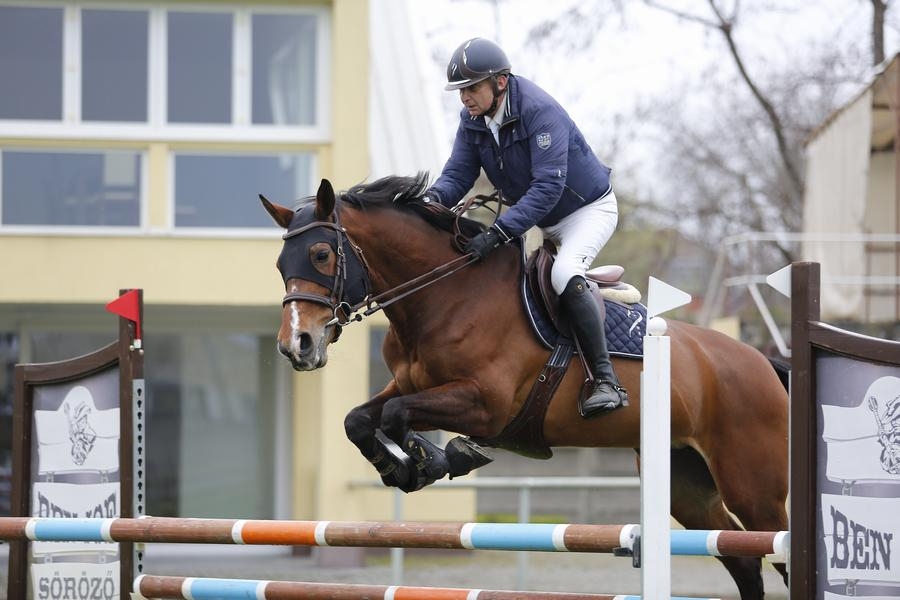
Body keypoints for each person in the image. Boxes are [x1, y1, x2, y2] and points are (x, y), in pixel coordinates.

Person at [424, 37, 627, 419]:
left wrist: (500, 231)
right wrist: (429, 205)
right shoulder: (473, 120)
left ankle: (606, 380)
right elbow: (458, 173)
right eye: (460, 90)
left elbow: (548, 186)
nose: (464, 98)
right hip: (541, 215)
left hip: (587, 211)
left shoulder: (540, 111)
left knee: (565, 273)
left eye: (471, 88)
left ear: (500, 82)